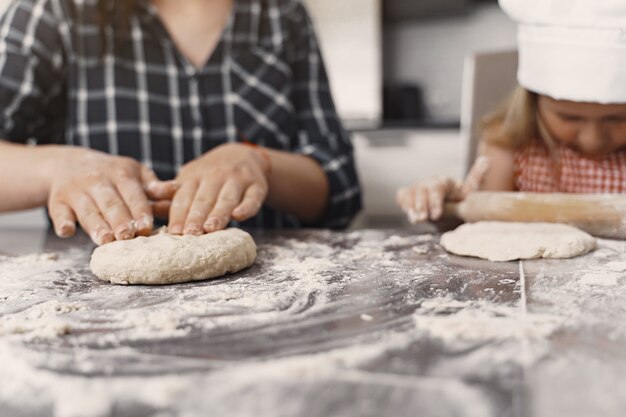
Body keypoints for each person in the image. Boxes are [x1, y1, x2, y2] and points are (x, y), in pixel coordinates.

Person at [0, 0, 361, 245]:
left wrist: (260, 162)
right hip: (95, 314)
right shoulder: (54, 13)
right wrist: (56, 168)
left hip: (281, 302)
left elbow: (340, 187)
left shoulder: (281, 15)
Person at [397, 0, 626, 223]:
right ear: (533, 101)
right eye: (569, 117)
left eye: (618, 119)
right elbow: (479, 227)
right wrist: (444, 207)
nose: (594, 139)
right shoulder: (507, 147)